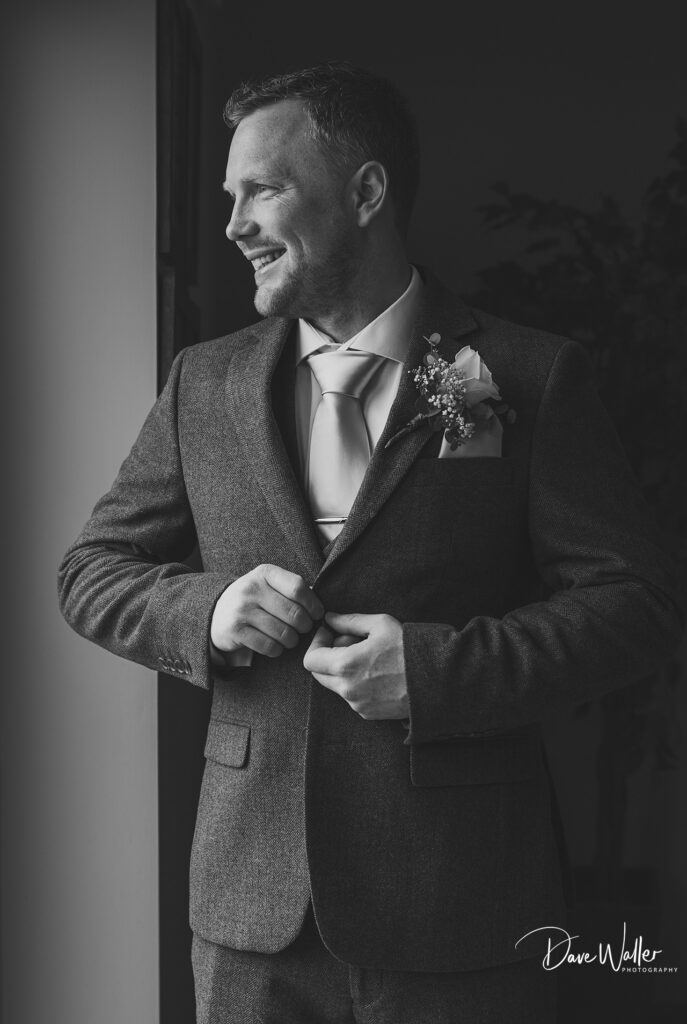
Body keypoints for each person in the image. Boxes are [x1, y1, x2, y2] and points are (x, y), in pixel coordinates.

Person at [58, 61, 683, 1023]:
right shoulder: (203, 382)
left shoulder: (515, 375)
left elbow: (635, 604)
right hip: (249, 918)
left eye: (260, 189)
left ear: (366, 191)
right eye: (229, 197)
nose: (232, 224)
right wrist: (210, 608)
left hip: (462, 907)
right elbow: (91, 573)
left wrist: (435, 671)